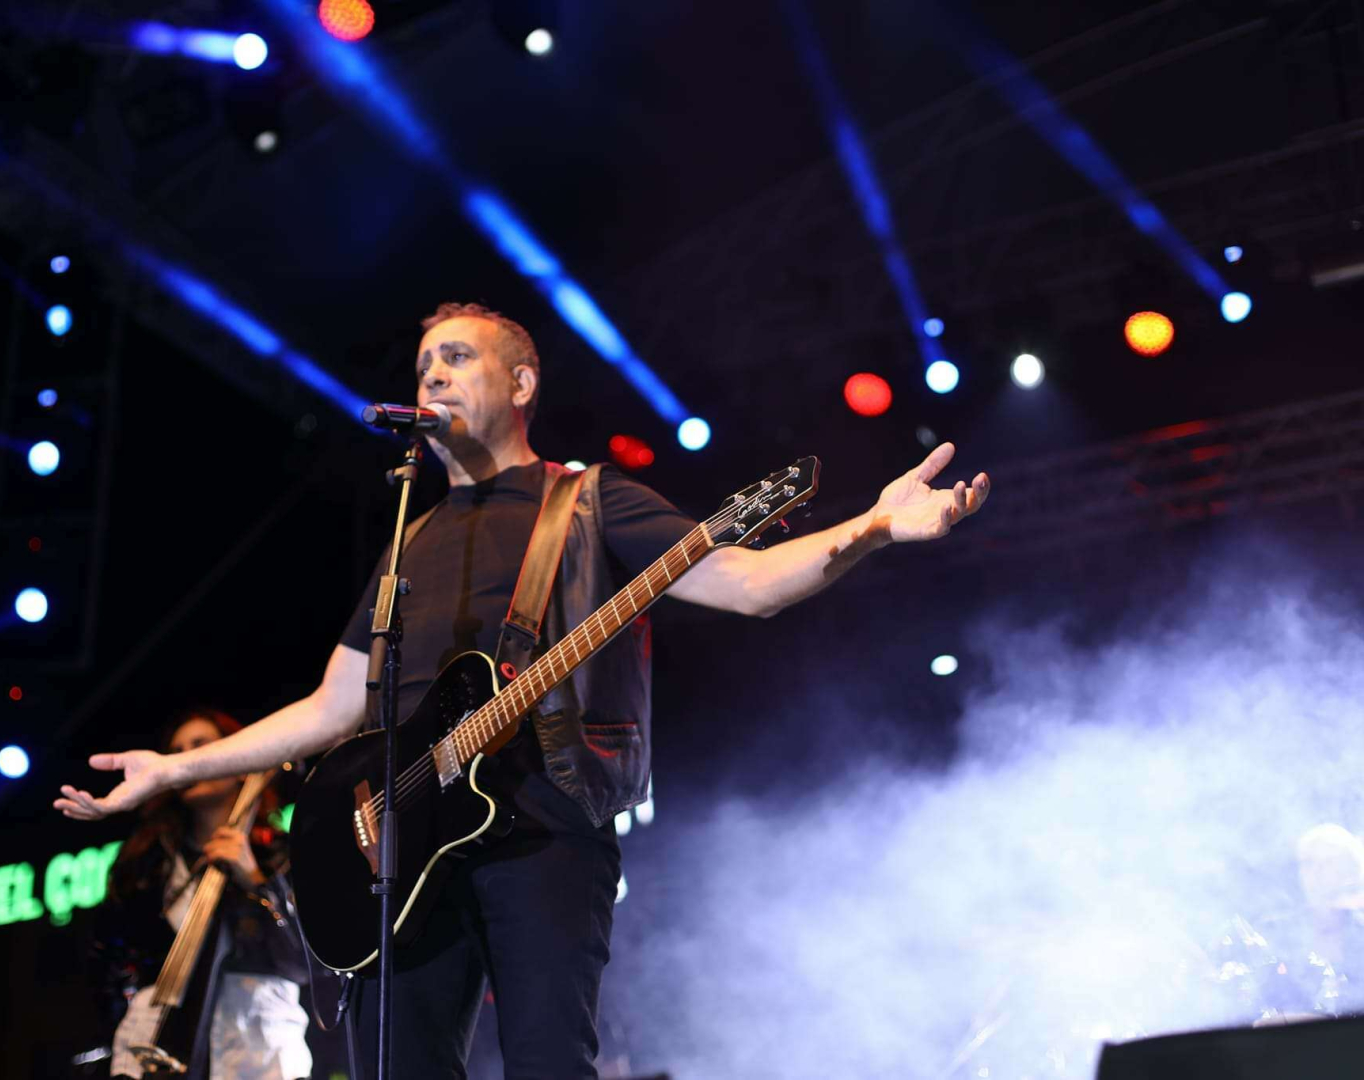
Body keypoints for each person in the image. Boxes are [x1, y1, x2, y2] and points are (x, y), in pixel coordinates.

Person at [58, 301, 991, 1077]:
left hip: (542, 831)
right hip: (400, 855)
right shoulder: (408, 540)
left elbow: (746, 584)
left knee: (547, 1062)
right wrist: (174, 772)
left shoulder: (584, 501)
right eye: (424, 364)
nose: (432, 375)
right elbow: (331, 708)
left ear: (520, 383)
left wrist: (871, 527)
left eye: (457, 358)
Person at [94, 709, 312, 1080]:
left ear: (242, 762)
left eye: (201, 746)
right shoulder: (147, 861)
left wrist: (255, 879)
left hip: (259, 1049)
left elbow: (304, 965)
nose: (187, 759)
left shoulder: (282, 854)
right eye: (177, 751)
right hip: (155, 1045)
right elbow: (109, 958)